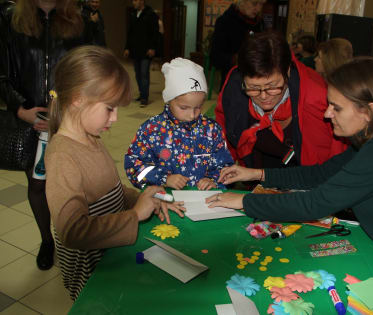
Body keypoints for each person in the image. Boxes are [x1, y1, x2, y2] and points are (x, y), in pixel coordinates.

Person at [207, 57, 373, 297]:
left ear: (369, 111)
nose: (328, 114)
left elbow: (315, 203)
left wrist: (243, 201)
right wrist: (258, 174)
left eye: (336, 107)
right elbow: (321, 173)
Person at [44, 46, 186, 300]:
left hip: (109, 254)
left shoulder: (91, 138)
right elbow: (73, 231)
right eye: (110, 108)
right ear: (78, 98)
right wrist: (134, 215)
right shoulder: (62, 156)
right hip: (91, 275)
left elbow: (110, 193)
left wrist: (144, 198)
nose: (116, 118)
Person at [0, 0, 93, 271]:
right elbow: (3, 74)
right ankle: (47, 241)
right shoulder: (10, 20)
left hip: (71, 119)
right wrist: (22, 109)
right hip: (31, 121)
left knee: (77, 184)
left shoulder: (82, 20)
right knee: (38, 184)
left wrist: (70, 109)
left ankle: (79, 239)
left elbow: (93, 71)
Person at [216, 31, 347, 171]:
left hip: (304, 180)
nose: (264, 96)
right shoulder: (234, 84)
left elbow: (334, 160)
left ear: (288, 71)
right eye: (253, 88)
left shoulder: (317, 96)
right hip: (253, 174)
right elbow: (222, 135)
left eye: (272, 87)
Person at [125, 58, 234, 190]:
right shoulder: (151, 129)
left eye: (198, 107)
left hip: (203, 202)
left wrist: (213, 180)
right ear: (169, 100)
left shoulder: (211, 130)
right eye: (184, 108)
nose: (192, 115)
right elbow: (134, 167)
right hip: (165, 201)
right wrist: (163, 178)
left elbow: (225, 166)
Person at [210, 0, 266, 90]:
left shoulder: (259, 23)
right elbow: (215, 57)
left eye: (261, 4)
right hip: (233, 84)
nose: (258, 8)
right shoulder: (225, 22)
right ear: (241, 2)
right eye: (254, 3)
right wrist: (236, 59)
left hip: (256, 84)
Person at [124, 0, 159, 106]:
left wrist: (152, 48)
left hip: (146, 50)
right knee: (138, 73)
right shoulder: (133, 14)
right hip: (135, 50)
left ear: (142, 1)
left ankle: (144, 97)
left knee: (144, 73)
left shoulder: (150, 14)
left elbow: (155, 32)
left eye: (135, 0)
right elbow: (130, 33)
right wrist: (127, 48)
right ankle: (141, 93)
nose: (133, 3)